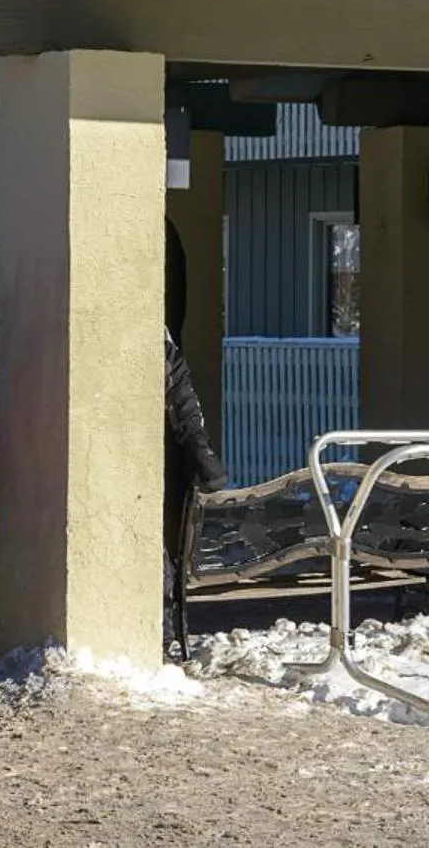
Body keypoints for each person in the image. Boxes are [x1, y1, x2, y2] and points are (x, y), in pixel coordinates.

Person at [163, 221, 227, 650]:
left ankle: (164, 626)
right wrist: (209, 469)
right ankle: (165, 628)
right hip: (170, 457)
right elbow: (187, 410)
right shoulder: (165, 348)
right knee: (167, 538)